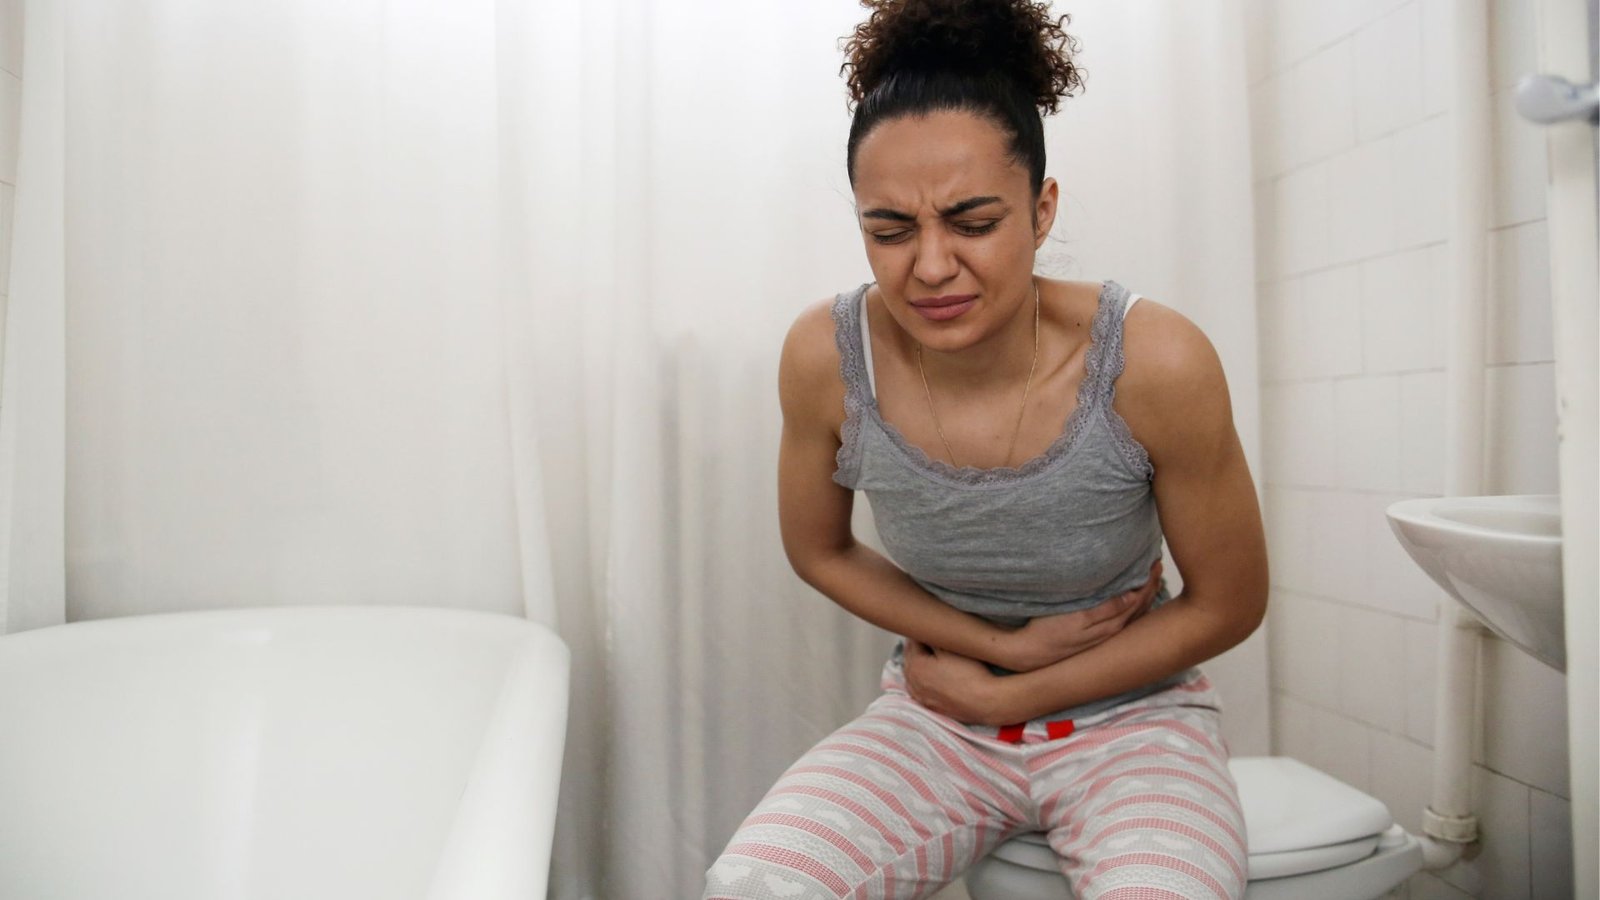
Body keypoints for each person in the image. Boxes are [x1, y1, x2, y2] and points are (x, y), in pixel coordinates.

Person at [704, 1, 1268, 897]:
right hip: (936, 715)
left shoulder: (1152, 359)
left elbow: (1230, 602)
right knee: (753, 887)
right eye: (889, 230)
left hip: (1135, 727)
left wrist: (1013, 695)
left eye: (971, 222)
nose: (928, 267)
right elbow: (817, 547)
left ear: (1041, 211)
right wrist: (986, 652)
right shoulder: (828, 356)